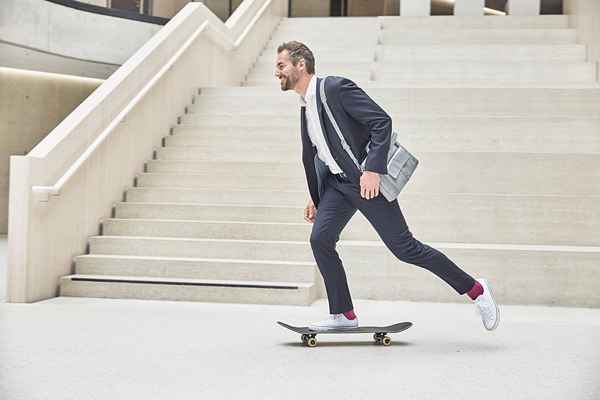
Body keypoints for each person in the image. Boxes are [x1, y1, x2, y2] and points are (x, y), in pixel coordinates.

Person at [274, 41, 499, 332]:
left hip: (364, 183)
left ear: (300, 65)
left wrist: (373, 169)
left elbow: (382, 121)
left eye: (281, 66)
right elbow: (321, 153)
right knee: (320, 239)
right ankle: (343, 314)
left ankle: (476, 291)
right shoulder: (305, 106)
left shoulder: (334, 88)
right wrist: (315, 196)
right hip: (336, 186)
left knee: (406, 249)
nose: (276, 72)